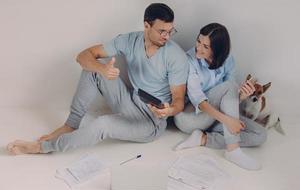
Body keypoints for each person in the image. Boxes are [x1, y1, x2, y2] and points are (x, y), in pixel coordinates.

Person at [7, 3, 188, 155]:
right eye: (162, 31)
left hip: (151, 122)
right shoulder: (129, 40)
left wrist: (169, 111)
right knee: (92, 68)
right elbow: (83, 56)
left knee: (103, 123)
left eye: (170, 31)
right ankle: (71, 125)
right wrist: (103, 69)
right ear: (146, 26)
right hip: (130, 102)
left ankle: (42, 147)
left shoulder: (175, 56)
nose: (167, 36)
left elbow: (179, 100)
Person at [173, 23, 267, 170]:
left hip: (215, 117)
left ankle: (203, 139)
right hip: (189, 117)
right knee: (231, 87)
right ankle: (233, 150)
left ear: (217, 50)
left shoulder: (228, 59)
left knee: (260, 134)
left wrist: (242, 96)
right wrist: (228, 121)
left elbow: (229, 99)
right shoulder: (189, 60)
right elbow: (200, 101)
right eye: (199, 41)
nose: (199, 48)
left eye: (206, 46)